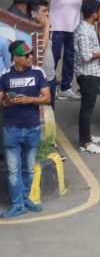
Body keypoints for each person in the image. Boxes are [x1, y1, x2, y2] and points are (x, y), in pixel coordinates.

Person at [0, 41, 52, 218]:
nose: (30, 57)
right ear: (15, 57)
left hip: (32, 127)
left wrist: (29, 100)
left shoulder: (38, 73)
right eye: (26, 55)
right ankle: (17, 205)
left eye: (30, 54)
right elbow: (1, 101)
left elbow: (47, 98)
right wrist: (8, 101)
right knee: (13, 170)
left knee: (29, 168)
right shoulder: (4, 76)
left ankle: (25, 198)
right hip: (11, 129)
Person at [38, 0, 91, 100]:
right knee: (53, 58)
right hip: (55, 27)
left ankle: (66, 88)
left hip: (73, 26)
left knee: (70, 58)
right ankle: (51, 87)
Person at [73, 0, 100, 154]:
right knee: (86, 109)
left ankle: (87, 136)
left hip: (93, 72)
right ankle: (86, 142)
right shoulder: (84, 31)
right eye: (99, 11)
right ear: (94, 13)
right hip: (87, 74)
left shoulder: (89, 27)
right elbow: (85, 56)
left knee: (88, 109)